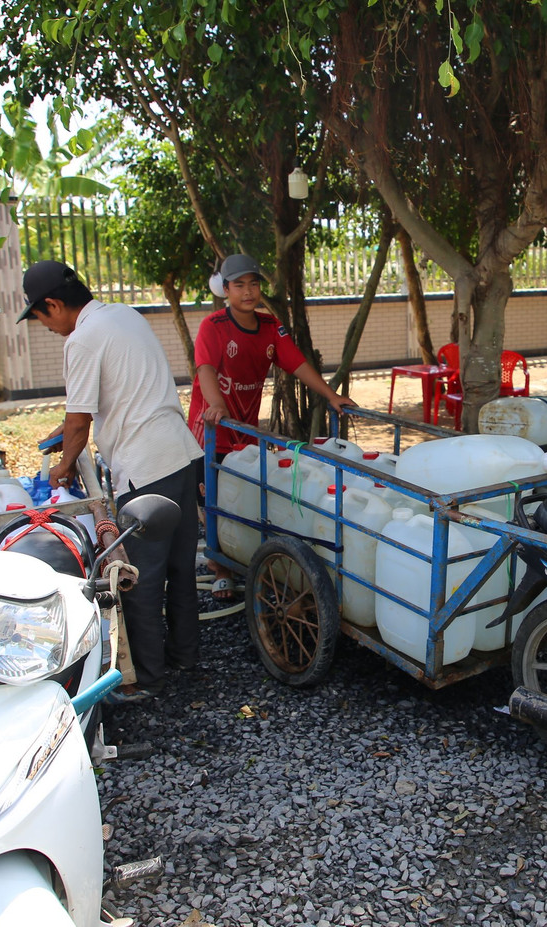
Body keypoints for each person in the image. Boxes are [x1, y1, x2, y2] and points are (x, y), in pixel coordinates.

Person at [20, 260, 203, 703]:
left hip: (144, 469)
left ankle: (145, 678)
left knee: (136, 576)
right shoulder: (123, 314)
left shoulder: (81, 339)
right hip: (180, 454)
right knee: (181, 568)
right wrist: (68, 441)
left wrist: (62, 469)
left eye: (42, 317)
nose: (46, 327)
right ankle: (185, 656)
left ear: (54, 304)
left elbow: (79, 421)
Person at [185, 253, 355, 599]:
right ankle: (219, 567)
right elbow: (205, 368)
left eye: (253, 284)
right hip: (213, 427)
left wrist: (330, 395)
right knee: (213, 497)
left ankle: (244, 552)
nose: (248, 292)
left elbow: (296, 363)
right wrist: (216, 403)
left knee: (242, 493)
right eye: (239, 285)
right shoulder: (214, 326)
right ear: (225, 290)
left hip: (247, 429)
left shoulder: (269, 327)